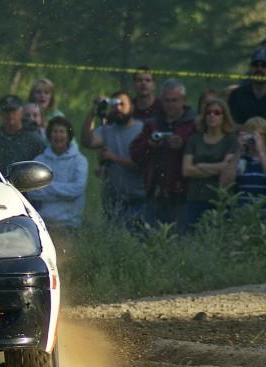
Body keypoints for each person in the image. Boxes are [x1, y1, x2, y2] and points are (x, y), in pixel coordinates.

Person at [130, 78, 198, 229]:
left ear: (183, 100)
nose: (170, 105)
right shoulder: (153, 124)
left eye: (174, 100)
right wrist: (150, 144)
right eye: (166, 100)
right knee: (151, 240)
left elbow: (203, 152)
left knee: (181, 240)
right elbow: (135, 153)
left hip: (184, 193)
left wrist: (184, 145)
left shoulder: (194, 124)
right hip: (156, 191)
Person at [80, 91, 145, 228]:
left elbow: (141, 166)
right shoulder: (107, 130)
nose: (118, 108)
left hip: (138, 199)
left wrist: (114, 158)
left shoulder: (141, 130)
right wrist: (93, 111)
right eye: (115, 104)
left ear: (131, 107)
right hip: (113, 198)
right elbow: (87, 141)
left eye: (123, 104)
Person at [27, 116, 88, 252]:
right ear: (49, 134)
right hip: (44, 225)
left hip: (69, 226)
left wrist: (47, 185)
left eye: (62, 132)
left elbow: (77, 189)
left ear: (68, 135)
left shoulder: (79, 161)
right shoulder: (39, 160)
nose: (58, 136)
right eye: (55, 131)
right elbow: (32, 191)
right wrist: (63, 192)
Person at [182, 98, 238, 228]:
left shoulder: (231, 140)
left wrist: (200, 166)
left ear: (224, 116)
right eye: (209, 112)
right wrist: (216, 169)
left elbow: (228, 168)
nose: (212, 115)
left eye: (217, 112)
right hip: (195, 199)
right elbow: (186, 170)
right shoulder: (194, 140)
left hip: (221, 200)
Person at [223, 117, 266, 207]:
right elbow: (224, 185)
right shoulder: (238, 159)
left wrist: (261, 154)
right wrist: (238, 151)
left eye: (259, 135)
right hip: (241, 216)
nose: (254, 139)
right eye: (251, 134)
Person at [0, 95, 46, 176]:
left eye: (13, 110)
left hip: (27, 186)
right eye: (6, 111)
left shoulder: (34, 140)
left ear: (21, 112)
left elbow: (43, 168)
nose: (10, 115)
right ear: (0, 113)